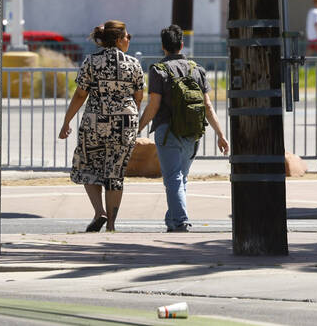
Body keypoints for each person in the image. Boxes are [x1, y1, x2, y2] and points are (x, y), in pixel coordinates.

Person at [137, 24, 229, 233]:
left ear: (163, 47)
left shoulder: (158, 71)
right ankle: (172, 220)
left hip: (167, 131)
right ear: (181, 44)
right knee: (180, 178)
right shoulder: (197, 70)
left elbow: (154, 106)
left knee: (173, 178)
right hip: (192, 131)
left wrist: (139, 127)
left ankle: (180, 222)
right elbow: (207, 105)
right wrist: (221, 134)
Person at [58, 20, 144, 233]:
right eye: (126, 36)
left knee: (88, 164)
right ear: (118, 39)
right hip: (125, 123)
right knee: (116, 171)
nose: (129, 40)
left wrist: (67, 121)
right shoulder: (133, 64)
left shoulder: (91, 62)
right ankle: (112, 225)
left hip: (95, 121)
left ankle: (99, 212)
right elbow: (139, 96)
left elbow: (80, 94)